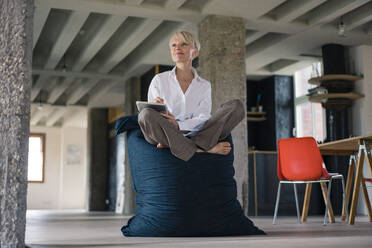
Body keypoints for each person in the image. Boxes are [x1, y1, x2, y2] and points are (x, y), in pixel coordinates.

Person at [138, 31, 245, 161]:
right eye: (173, 45)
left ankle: (177, 146)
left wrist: (179, 125)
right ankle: (202, 150)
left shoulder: (204, 85)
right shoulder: (159, 80)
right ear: (171, 53)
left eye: (183, 44)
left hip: (197, 134)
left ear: (194, 52)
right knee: (145, 115)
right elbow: (154, 118)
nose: (177, 47)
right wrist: (156, 108)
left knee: (236, 106)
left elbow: (203, 117)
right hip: (165, 131)